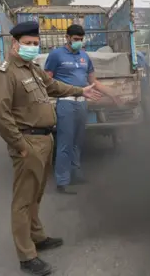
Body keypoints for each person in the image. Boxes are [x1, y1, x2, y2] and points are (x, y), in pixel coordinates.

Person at [0, 21, 101, 275]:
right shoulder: (5, 73)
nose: (32, 48)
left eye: (36, 44)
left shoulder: (32, 68)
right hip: (27, 142)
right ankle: (27, 256)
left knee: (36, 194)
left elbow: (53, 87)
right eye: (28, 44)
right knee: (23, 200)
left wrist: (80, 90)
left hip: (44, 139)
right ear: (14, 44)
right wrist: (19, 144)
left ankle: (37, 236)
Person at [44, 24, 119, 195]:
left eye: (80, 39)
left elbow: (94, 81)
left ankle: (75, 174)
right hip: (66, 103)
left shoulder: (84, 56)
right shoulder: (56, 55)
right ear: (67, 37)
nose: (78, 42)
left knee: (78, 142)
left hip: (82, 103)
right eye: (75, 39)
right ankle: (62, 181)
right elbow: (47, 79)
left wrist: (111, 93)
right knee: (65, 142)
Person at [136, 51, 150, 122]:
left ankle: (145, 115)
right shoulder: (141, 57)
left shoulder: (137, 57)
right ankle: (145, 116)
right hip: (142, 82)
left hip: (138, 81)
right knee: (143, 100)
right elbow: (148, 67)